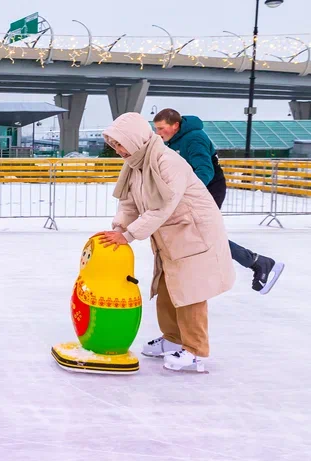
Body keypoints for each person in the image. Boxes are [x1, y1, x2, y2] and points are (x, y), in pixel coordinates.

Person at [98, 113, 234, 373]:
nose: (118, 151)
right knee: (167, 286)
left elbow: (162, 206)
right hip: (171, 234)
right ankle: (172, 339)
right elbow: (129, 202)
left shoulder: (167, 161)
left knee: (191, 292)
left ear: (135, 138)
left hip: (194, 232)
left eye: (120, 144)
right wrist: (118, 228)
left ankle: (196, 352)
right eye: (114, 145)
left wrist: (127, 236)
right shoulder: (135, 162)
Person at [152, 109, 284, 293]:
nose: (158, 133)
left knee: (204, 235)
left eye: (161, 128)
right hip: (195, 190)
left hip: (208, 189)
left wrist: (185, 193)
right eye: (155, 129)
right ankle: (256, 262)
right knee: (197, 234)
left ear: (175, 125)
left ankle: (257, 262)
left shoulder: (194, 138)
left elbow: (205, 171)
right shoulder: (173, 141)